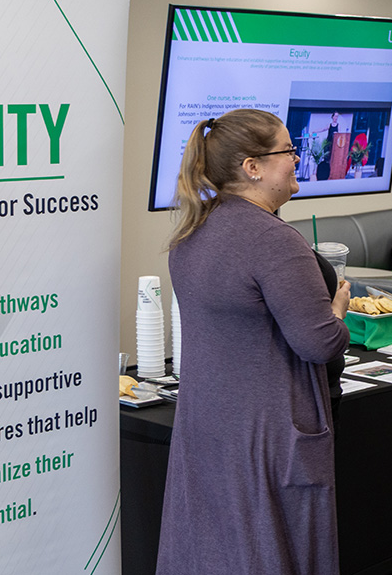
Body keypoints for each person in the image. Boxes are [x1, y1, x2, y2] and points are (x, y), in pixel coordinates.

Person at [156, 109, 351, 575]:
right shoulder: (275, 241)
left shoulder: (192, 233)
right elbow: (320, 344)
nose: (297, 159)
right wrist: (337, 310)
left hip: (208, 424)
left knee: (215, 551)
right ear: (253, 167)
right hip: (268, 435)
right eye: (288, 150)